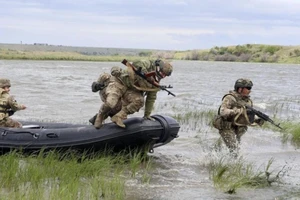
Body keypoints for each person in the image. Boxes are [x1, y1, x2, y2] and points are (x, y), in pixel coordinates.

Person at [93, 59, 173, 129]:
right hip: (120, 81)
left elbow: (151, 98)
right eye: (161, 73)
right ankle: (100, 116)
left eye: (164, 75)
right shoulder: (148, 64)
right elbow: (137, 62)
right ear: (158, 67)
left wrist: (147, 115)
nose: (161, 76)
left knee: (139, 101)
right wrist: (145, 74)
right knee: (111, 102)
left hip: (130, 90)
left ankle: (119, 117)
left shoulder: (155, 84)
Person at [212, 78, 264, 155]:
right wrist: (237, 111)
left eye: (250, 88)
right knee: (234, 150)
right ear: (240, 89)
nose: (250, 90)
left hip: (238, 129)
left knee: (236, 149)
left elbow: (247, 116)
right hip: (227, 127)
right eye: (248, 88)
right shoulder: (230, 98)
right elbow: (222, 112)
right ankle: (228, 165)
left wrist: (257, 120)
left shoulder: (247, 101)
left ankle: (218, 154)